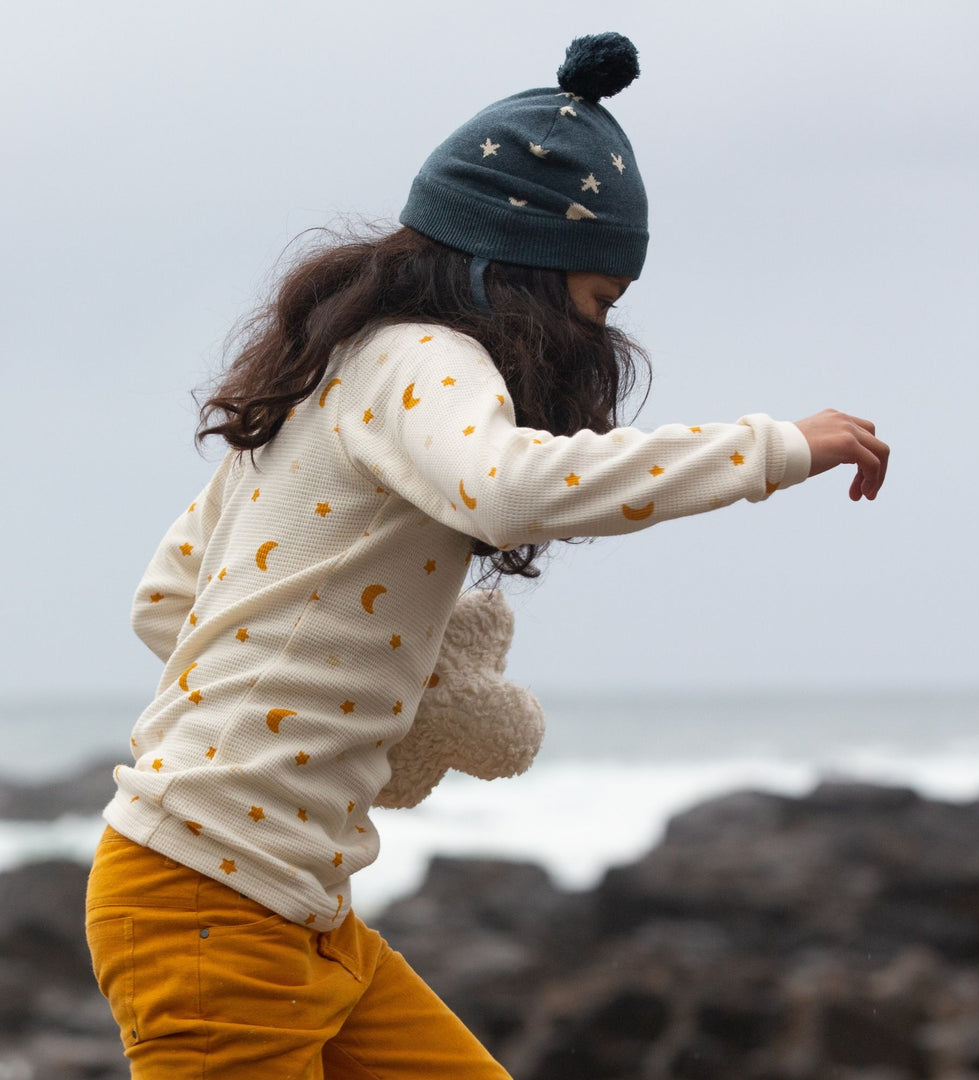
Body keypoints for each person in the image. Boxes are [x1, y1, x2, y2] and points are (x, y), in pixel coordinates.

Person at [85, 31, 888, 1080]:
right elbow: (509, 487)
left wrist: (374, 679)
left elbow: (165, 602)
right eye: (597, 305)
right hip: (210, 909)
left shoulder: (324, 378)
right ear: (524, 273)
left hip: (284, 904)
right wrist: (775, 448)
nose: (601, 342)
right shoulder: (427, 356)